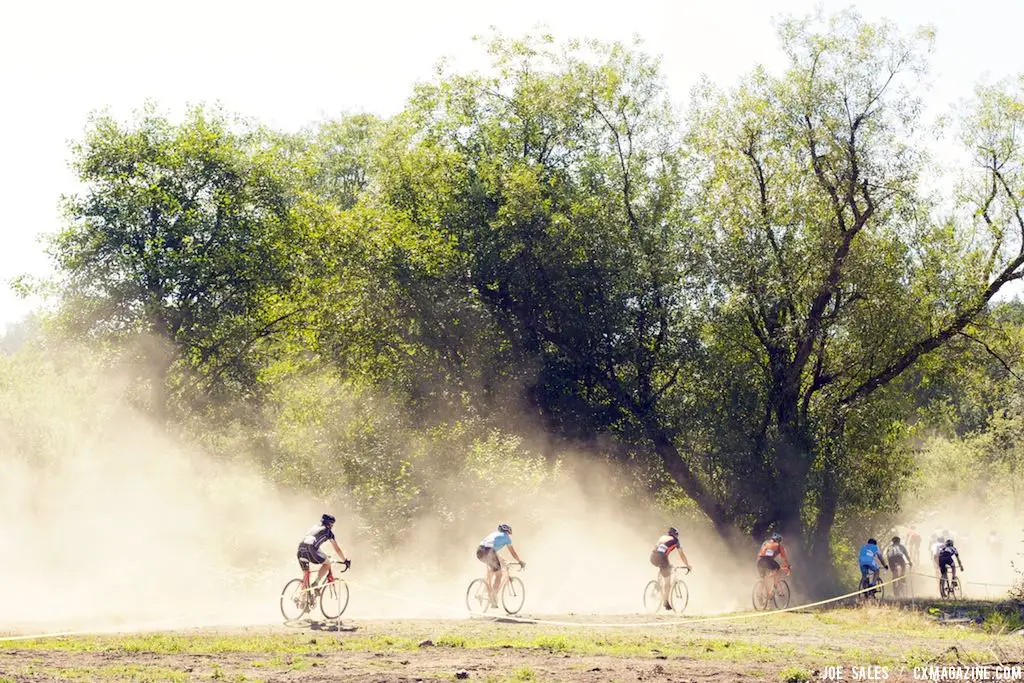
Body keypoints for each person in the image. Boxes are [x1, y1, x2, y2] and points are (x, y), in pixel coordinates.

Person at [297, 514, 350, 599]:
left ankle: (302, 599)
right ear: (330, 524)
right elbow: (337, 549)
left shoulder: (315, 527)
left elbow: (312, 544)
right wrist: (345, 560)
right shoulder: (328, 532)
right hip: (311, 551)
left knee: (306, 575)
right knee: (327, 564)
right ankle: (316, 583)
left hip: (300, 550)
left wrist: (324, 555)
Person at [476, 523, 526, 608]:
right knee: (499, 575)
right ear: (508, 532)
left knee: (491, 571)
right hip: (489, 552)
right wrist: (519, 561)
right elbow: (512, 552)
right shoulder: (506, 538)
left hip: (479, 551)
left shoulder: (493, 534)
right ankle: (493, 597)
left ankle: (481, 592)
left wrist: (502, 560)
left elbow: (492, 551)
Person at [649, 527, 693, 610]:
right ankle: (665, 603)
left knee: (665, 567)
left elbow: (658, 550)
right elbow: (681, 554)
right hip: (662, 558)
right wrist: (687, 565)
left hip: (652, 557)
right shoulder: (676, 541)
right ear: (676, 534)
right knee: (668, 583)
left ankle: (657, 585)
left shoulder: (662, 537)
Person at [756, 532, 792, 601]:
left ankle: (759, 594)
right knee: (777, 569)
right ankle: (775, 585)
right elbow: (784, 558)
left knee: (763, 579)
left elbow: (763, 553)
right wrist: (787, 566)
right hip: (767, 560)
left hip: (759, 561)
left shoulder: (765, 543)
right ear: (779, 541)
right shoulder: (779, 546)